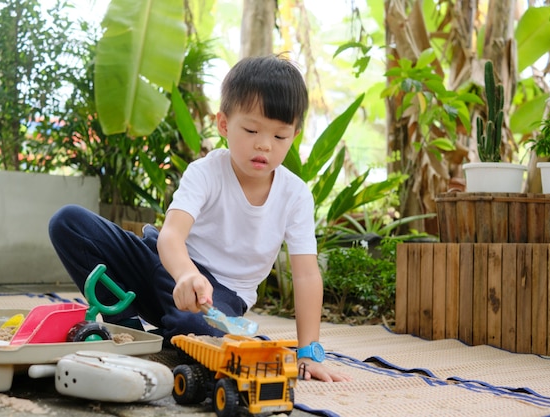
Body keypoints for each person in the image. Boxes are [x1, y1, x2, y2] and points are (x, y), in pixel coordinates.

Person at [48, 54, 350, 382]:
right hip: (165, 264)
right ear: (223, 124)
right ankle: (129, 331)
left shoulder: (295, 195)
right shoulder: (206, 171)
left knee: (198, 332)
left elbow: (306, 276)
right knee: (68, 222)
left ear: (294, 135)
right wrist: (186, 275)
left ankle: (169, 335)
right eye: (251, 129)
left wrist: (309, 352)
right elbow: (171, 236)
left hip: (218, 297)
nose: (264, 145)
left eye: (279, 136)